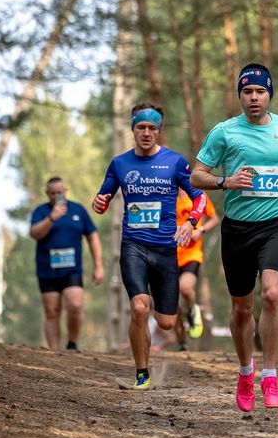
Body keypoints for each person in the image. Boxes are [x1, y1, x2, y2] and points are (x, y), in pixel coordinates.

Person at [190, 63, 278, 412]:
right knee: (242, 308)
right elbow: (196, 175)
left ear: (269, 94)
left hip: (275, 225)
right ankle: (246, 372)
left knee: (271, 295)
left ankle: (270, 376)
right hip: (237, 229)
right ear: (240, 96)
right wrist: (225, 182)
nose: (254, 97)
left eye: (260, 91)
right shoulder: (224, 132)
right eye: (247, 92)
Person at [92, 103, 208, 390]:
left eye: (152, 128)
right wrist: (99, 202)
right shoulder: (120, 163)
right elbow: (103, 199)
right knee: (139, 307)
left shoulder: (174, 162)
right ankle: (141, 372)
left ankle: (184, 313)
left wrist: (190, 223)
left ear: (159, 131)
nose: (146, 133)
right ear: (133, 129)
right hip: (133, 246)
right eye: (141, 127)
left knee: (166, 322)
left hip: (165, 249)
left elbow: (200, 197)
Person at [30, 177, 104, 351]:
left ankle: (72, 343)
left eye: (60, 192)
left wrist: (98, 265)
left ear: (65, 191)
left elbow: (93, 236)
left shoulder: (78, 210)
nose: (57, 195)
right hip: (47, 269)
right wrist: (51, 218)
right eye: (53, 193)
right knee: (52, 310)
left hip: (72, 269)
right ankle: (54, 351)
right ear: (47, 193)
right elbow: (34, 233)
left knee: (75, 305)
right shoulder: (41, 211)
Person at [174, 188, 219, 349]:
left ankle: (193, 310)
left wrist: (200, 230)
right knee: (172, 302)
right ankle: (182, 343)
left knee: (185, 289)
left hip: (191, 254)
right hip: (169, 255)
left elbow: (214, 218)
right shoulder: (166, 192)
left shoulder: (197, 194)